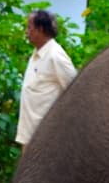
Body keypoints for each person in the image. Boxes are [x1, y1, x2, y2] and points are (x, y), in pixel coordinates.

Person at [16, 9, 77, 146]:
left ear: (40, 29)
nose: (26, 32)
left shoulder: (56, 56)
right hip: (30, 135)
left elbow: (76, 91)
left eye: (29, 27)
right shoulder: (36, 54)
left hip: (46, 139)